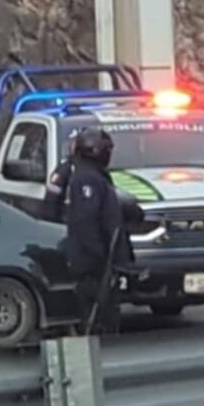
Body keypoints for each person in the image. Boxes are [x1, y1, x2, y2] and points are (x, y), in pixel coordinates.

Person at [65, 127, 135, 334]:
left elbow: (108, 209)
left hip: (101, 264)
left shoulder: (96, 177)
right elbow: (86, 222)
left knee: (108, 314)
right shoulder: (87, 178)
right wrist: (102, 257)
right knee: (97, 318)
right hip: (94, 267)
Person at [41, 130, 80, 222]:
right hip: (66, 223)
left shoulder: (95, 169)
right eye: (75, 143)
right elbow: (50, 202)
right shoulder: (65, 169)